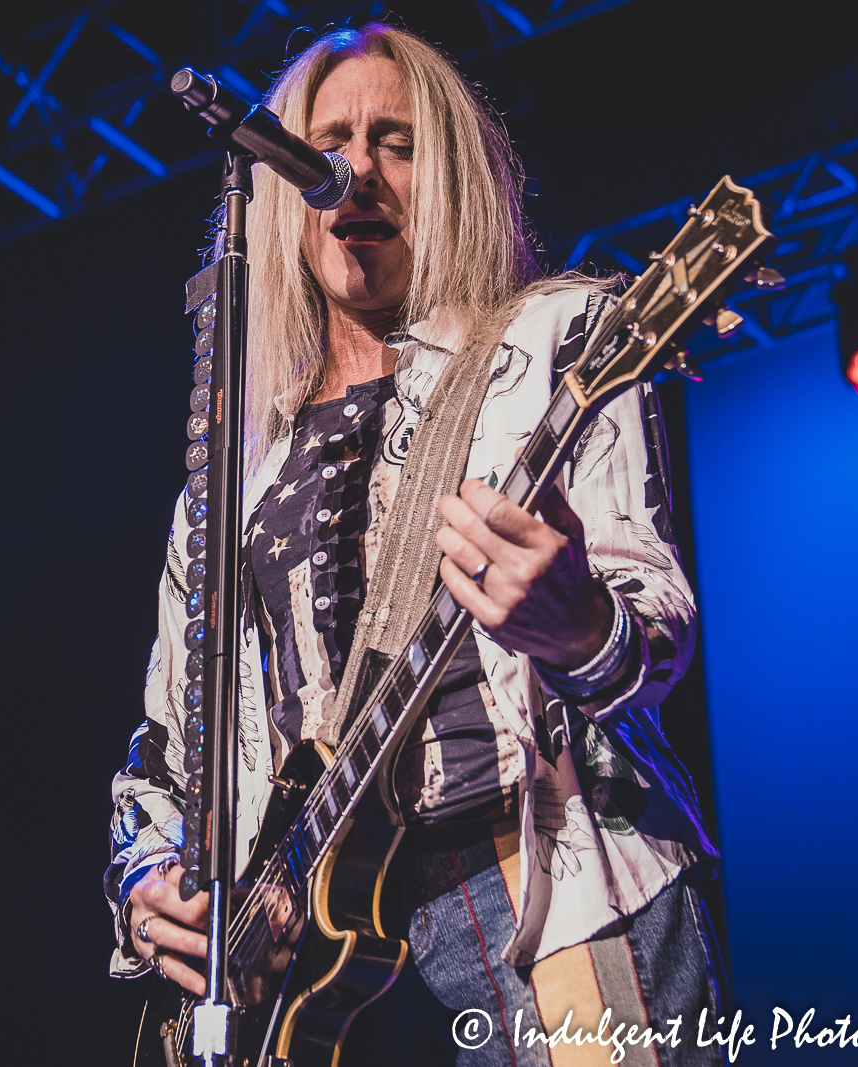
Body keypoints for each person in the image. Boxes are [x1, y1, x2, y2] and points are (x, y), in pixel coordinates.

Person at [105, 22, 722, 1066]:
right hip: (300, 946)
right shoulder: (231, 474)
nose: (353, 171)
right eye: (328, 140)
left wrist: (578, 625)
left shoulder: (555, 341)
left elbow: (652, 623)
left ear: (453, 176)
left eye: (395, 140)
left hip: (548, 865)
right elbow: (164, 749)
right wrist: (148, 881)